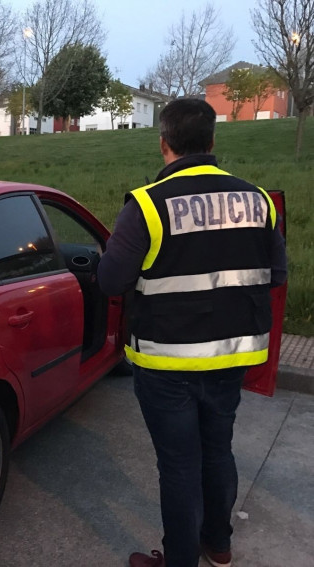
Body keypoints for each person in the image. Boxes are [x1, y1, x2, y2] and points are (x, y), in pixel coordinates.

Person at [97, 98, 286, 567]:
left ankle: (180, 560)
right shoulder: (257, 200)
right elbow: (276, 275)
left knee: (180, 465)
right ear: (212, 141)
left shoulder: (146, 205)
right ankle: (218, 545)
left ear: (164, 144)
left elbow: (109, 281)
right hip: (231, 357)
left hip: (166, 364)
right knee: (217, 449)